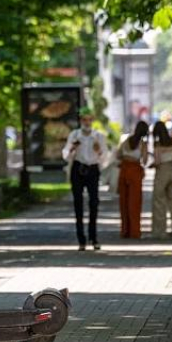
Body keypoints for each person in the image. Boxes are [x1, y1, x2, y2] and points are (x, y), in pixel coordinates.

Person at [63, 106, 108, 251]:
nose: (87, 122)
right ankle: (81, 240)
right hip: (78, 168)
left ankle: (93, 238)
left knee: (94, 202)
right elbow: (65, 154)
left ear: (92, 120)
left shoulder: (98, 136)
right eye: (84, 119)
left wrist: (98, 150)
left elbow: (105, 158)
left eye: (89, 119)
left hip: (93, 169)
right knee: (78, 203)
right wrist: (72, 148)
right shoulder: (75, 134)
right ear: (81, 120)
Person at [116, 121, 149, 239]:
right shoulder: (142, 143)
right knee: (134, 202)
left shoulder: (126, 140)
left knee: (124, 201)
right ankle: (134, 231)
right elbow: (145, 160)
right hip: (135, 171)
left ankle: (124, 230)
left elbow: (118, 154)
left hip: (124, 169)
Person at [150, 121, 172, 239]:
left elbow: (157, 161)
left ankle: (160, 231)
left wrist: (152, 164)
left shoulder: (157, 144)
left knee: (159, 202)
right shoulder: (171, 142)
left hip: (162, 172)